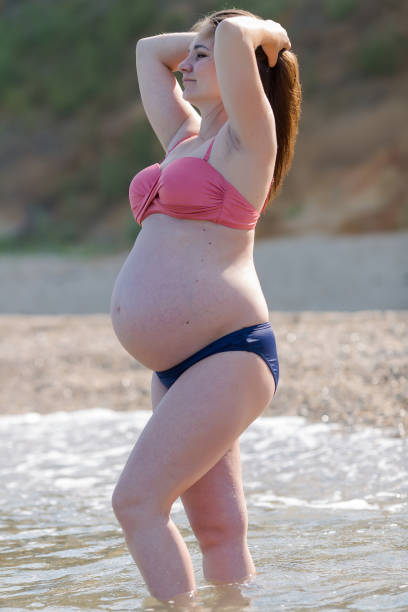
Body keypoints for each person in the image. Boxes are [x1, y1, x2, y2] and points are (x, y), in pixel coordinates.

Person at [110, 7, 301, 605]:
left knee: (137, 503)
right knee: (218, 529)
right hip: (183, 367)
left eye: (203, 55)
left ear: (241, 65)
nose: (188, 63)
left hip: (229, 353)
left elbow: (243, 37)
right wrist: (204, 41)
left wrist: (269, 38)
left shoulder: (250, 141)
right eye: (191, 54)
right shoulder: (184, 139)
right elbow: (148, 51)